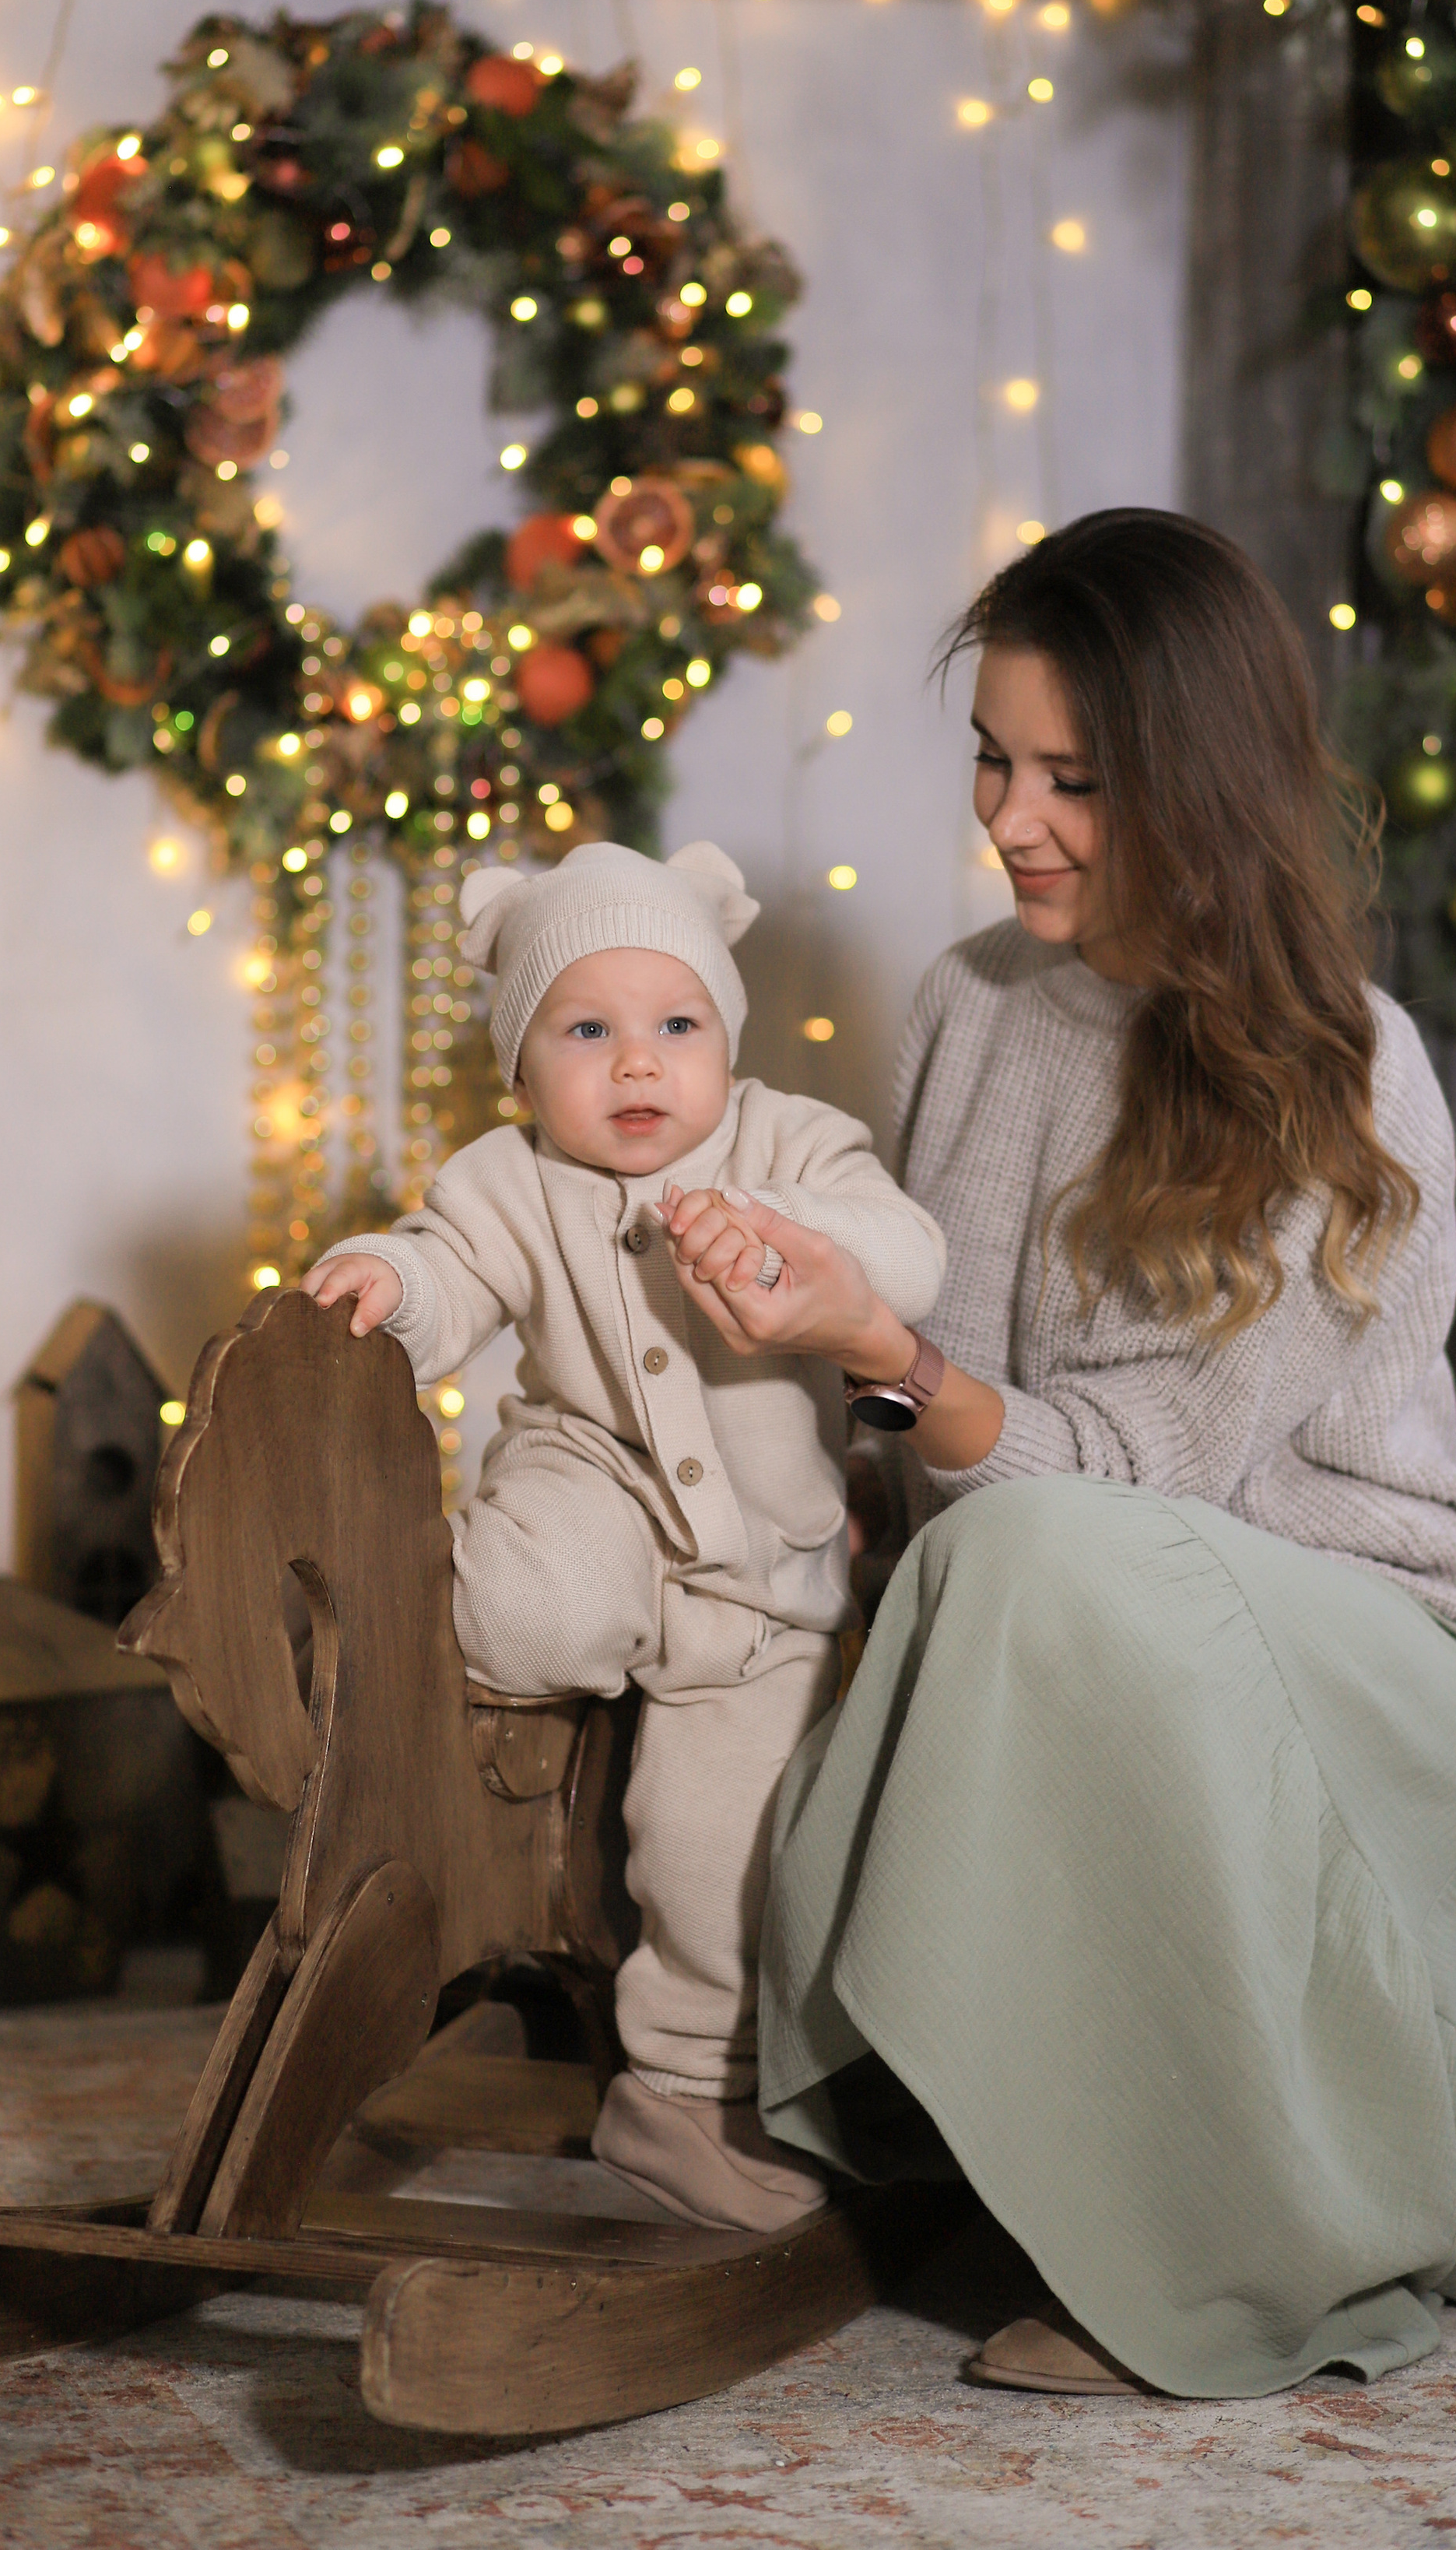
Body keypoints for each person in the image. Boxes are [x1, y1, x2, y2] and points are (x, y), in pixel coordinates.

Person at [661, 509, 1456, 2400]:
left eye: (1073, 778)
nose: (1013, 820)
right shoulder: (966, 1002)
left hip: (1395, 1671)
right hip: (1092, 1618)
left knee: (1026, 1558)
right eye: (992, 764)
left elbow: (1117, 1467)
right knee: (982, 1575)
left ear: (1197, 775)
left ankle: (1233, 2251)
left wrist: (876, 1350)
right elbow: (928, 1438)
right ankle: (981, 2131)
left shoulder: (1343, 1065)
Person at [302, 838, 944, 2235]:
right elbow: (446, 1270)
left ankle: (678, 2095)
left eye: (675, 1026)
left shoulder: (789, 1144)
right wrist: (387, 1285)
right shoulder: (509, 1180)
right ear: (525, 1070)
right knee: (536, 1606)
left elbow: (909, 1253)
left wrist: (793, 1236)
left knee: (730, 1849)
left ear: (726, 1037)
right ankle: (396, 1622)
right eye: (587, 1032)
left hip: (761, 1579)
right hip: (585, 1481)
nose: (638, 1066)